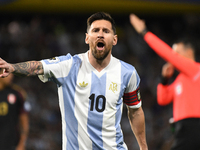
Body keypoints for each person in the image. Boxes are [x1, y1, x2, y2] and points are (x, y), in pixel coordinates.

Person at [0, 12, 148, 150]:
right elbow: (38, 67)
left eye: (106, 31)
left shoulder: (127, 73)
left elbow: (135, 112)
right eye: (95, 30)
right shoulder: (69, 66)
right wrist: (12, 67)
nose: (100, 35)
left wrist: (143, 147)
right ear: (87, 38)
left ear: (114, 39)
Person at [130, 14, 200, 150]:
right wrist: (164, 80)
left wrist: (144, 32)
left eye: (177, 53)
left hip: (194, 126)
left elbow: (166, 53)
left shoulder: (196, 70)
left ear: (189, 51)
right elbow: (163, 99)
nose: (174, 57)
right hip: (182, 130)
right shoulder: (181, 79)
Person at [0, 72, 29, 150]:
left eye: (11, 73)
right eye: (7, 73)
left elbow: (24, 121)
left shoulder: (17, 94)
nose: (11, 76)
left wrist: (22, 143)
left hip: (11, 143)